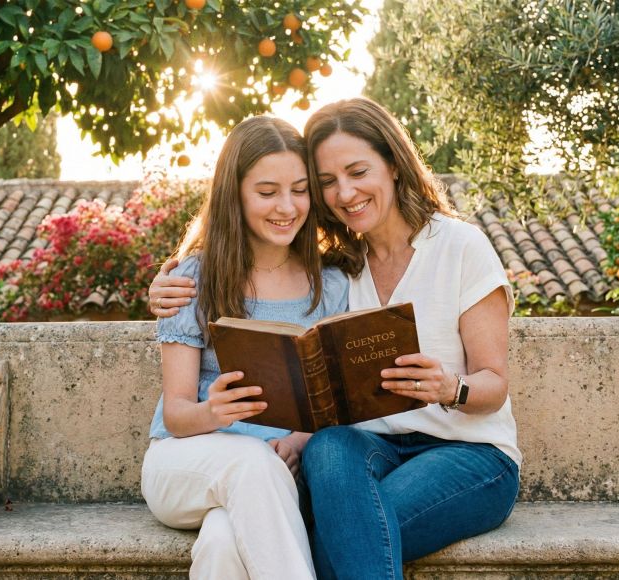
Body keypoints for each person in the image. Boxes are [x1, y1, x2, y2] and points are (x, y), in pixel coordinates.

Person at [149, 98, 520, 579]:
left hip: (464, 449)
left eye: (358, 172)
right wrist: (167, 283)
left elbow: (494, 386)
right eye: (327, 181)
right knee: (323, 452)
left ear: (393, 164)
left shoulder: (458, 246)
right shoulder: (345, 266)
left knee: (334, 539)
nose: (345, 193)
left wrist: (452, 387)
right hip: (367, 451)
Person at [140, 115, 349, 580]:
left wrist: (298, 442)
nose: (287, 207)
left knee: (221, 544)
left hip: (277, 480)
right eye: (267, 191)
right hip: (186, 463)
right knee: (253, 464)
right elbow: (176, 415)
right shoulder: (194, 278)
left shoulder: (331, 285)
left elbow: (335, 402)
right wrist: (213, 412)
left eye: (299, 190)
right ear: (234, 194)